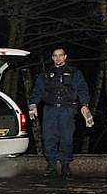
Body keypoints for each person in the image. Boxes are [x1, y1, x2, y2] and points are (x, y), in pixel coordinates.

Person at [28, 47, 92, 178]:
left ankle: (65, 165)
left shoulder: (74, 73)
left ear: (65, 57)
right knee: (49, 137)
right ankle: (51, 164)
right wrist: (33, 104)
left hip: (67, 109)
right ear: (52, 58)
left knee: (66, 138)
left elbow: (82, 89)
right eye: (55, 55)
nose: (58, 58)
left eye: (60, 55)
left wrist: (85, 105)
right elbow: (38, 90)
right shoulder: (46, 73)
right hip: (49, 109)